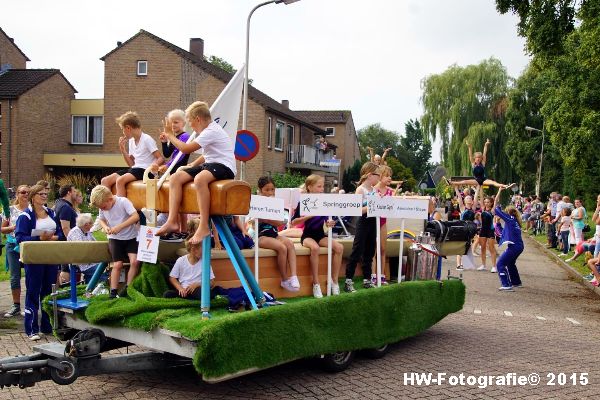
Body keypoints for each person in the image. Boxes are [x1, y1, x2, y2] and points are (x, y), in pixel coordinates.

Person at [154, 101, 236, 244]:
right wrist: (193, 164)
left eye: (190, 122)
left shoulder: (212, 131)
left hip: (225, 166)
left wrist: (169, 135)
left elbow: (185, 149)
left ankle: (204, 225)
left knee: (200, 179)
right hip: (210, 164)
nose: (190, 126)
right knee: (176, 178)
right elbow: (209, 153)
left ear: (198, 119)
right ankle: (172, 220)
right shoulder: (207, 132)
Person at [15, 184, 64, 340]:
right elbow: (20, 237)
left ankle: (47, 326)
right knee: (33, 292)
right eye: (41, 194)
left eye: (46, 194)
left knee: (48, 292)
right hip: (34, 259)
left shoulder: (51, 213)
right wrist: (38, 238)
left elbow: (61, 232)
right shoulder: (26, 216)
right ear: (33, 196)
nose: (44, 196)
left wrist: (56, 237)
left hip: (50, 257)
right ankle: (31, 329)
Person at [291, 174, 342, 298]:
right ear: (310, 187)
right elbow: (293, 222)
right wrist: (310, 215)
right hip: (307, 235)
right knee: (315, 248)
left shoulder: (323, 201)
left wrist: (329, 223)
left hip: (320, 234)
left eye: (322, 186)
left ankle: (334, 281)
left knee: (339, 248)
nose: (322, 189)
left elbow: (325, 222)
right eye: (319, 186)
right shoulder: (304, 201)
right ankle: (316, 283)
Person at [89, 185, 140, 299]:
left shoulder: (123, 202)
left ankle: (128, 288)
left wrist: (120, 227)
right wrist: (106, 227)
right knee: (117, 264)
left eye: (104, 207)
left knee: (135, 262)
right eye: (101, 208)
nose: (103, 209)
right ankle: (113, 292)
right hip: (115, 238)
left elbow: (135, 216)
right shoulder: (102, 206)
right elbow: (101, 219)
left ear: (110, 199)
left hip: (130, 237)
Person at [101, 111, 164, 197]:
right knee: (105, 181)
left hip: (145, 170)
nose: (123, 132)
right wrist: (123, 150)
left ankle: (121, 208)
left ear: (128, 128)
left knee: (120, 181)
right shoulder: (131, 141)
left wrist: (153, 166)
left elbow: (160, 158)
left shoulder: (146, 139)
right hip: (135, 169)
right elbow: (131, 164)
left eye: (122, 129)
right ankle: (107, 208)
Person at [256, 176, 300, 292]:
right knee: (281, 247)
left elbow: (280, 222)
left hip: (274, 234)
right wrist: (268, 219)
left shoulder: (275, 203)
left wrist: (267, 219)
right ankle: (284, 279)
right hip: (261, 236)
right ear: (260, 190)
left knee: (289, 244)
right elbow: (254, 221)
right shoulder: (256, 202)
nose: (270, 192)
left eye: (272, 189)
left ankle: (294, 276)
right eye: (267, 189)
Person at [344, 162, 380, 292]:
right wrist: (371, 206)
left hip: (373, 222)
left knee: (370, 251)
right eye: (378, 175)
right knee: (357, 250)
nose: (379, 178)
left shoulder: (374, 190)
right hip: (363, 222)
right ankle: (348, 280)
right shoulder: (360, 189)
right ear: (370, 175)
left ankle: (367, 279)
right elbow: (356, 210)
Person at [2, 184, 29, 317]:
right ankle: (16, 305)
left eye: (28, 192)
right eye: (23, 192)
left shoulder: (32, 210)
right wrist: (15, 227)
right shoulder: (10, 210)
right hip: (13, 245)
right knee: (15, 276)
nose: (25, 195)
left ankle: (30, 305)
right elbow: (2, 229)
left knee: (30, 275)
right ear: (17, 194)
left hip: (29, 246)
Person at [446, 139, 514, 190]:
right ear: (474, 159)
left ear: (481, 159)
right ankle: (451, 182)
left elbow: (484, 153)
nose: (478, 159)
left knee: (493, 183)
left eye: (479, 158)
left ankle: (506, 186)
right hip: (476, 180)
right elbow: (470, 156)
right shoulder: (473, 164)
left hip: (484, 179)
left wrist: (486, 145)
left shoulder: (483, 163)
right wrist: (469, 147)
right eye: (477, 158)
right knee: (464, 181)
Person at [493, 187, 524, 291]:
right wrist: (497, 223)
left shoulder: (510, 219)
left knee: (500, 264)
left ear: (507, 213)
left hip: (514, 247)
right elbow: (502, 233)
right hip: (518, 246)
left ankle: (506, 284)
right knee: (510, 263)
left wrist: (499, 192)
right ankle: (516, 282)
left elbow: (496, 209)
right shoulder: (514, 221)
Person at [66, 213, 107, 284]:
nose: (93, 225)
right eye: (91, 223)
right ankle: (99, 289)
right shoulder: (75, 232)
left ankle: (89, 290)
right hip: (82, 264)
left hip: (91, 261)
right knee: (103, 272)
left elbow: (96, 244)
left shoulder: (87, 231)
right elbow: (82, 249)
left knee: (105, 266)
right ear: (86, 224)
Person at [372, 165, 394, 285]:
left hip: (383, 222)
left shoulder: (390, 191)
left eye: (390, 176)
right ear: (380, 176)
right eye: (387, 176)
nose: (389, 178)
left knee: (383, 248)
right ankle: (373, 275)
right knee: (374, 250)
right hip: (373, 222)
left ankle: (382, 274)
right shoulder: (373, 190)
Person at [454, 185, 480, 270]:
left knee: (467, 246)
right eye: (467, 198)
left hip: (470, 230)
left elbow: (476, 196)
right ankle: (458, 264)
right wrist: (456, 188)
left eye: (470, 198)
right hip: (462, 229)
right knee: (460, 247)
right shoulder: (462, 208)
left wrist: (478, 187)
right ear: (465, 201)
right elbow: (459, 197)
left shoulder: (473, 208)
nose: (469, 199)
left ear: (472, 201)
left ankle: (465, 263)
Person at [477, 194, 498, 273]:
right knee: (482, 248)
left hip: (490, 230)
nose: (486, 203)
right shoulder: (483, 209)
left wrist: (499, 190)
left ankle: (494, 266)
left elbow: (495, 200)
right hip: (483, 230)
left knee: (491, 248)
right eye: (485, 202)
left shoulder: (492, 211)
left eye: (488, 202)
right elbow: (481, 197)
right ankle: (483, 265)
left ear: (491, 203)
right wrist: (481, 185)